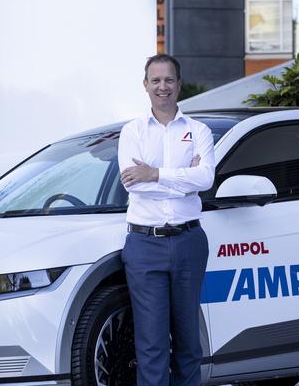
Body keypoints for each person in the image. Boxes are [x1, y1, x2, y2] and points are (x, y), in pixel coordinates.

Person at [118, 54, 215, 386]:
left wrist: (155, 173)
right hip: (144, 245)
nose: (163, 87)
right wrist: (182, 179)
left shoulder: (198, 130)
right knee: (151, 344)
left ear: (179, 84)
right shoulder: (132, 132)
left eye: (169, 80)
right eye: (155, 80)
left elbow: (205, 179)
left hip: (189, 242)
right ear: (145, 85)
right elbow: (135, 184)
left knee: (189, 342)